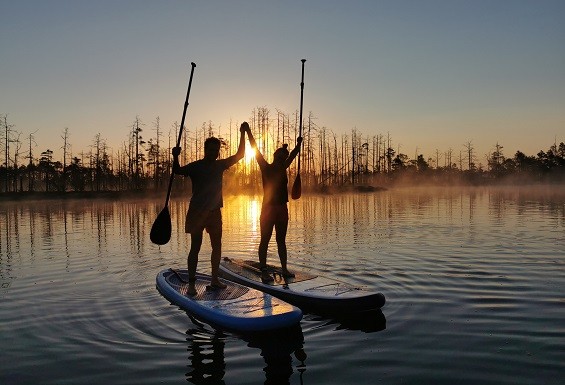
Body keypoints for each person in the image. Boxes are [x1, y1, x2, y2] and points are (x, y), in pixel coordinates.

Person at [172, 122, 247, 295]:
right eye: (210, 150)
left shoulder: (220, 165)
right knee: (195, 247)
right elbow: (177, 171)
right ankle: (191, 284)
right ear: (205, 150)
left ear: (218, 151)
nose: (213, 153)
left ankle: (214, 279)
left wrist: (242, 133)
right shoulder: (195, 166)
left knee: (217, 246)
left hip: (214, 212)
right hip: (197, 212)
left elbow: (241, 154)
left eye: (216, 150)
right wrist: (175, 155)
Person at [245, 126, 303, 282]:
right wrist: (249, 131)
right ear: (274, 156)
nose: (281, 160)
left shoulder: (284, 167)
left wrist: (298, 145)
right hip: (268, 209)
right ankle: (263, 270)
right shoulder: (265, 167)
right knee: (265, 239)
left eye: (283, 158)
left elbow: (292, 155)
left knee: (281, 240)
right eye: (279, 157)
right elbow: (255, 148)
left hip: (282, 209)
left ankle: (284, 268)